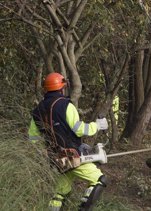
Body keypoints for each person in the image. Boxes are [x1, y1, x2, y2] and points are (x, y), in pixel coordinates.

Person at [28, 72, 109, 211]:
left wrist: (47, 153)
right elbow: (79, 129)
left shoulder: (37, 110)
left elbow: (32, 139)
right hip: (73, 157)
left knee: (60, 193)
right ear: (62, 88)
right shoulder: (66, 105)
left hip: (56, 159)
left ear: (46, 89)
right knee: (99, 180)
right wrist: (97, 126)